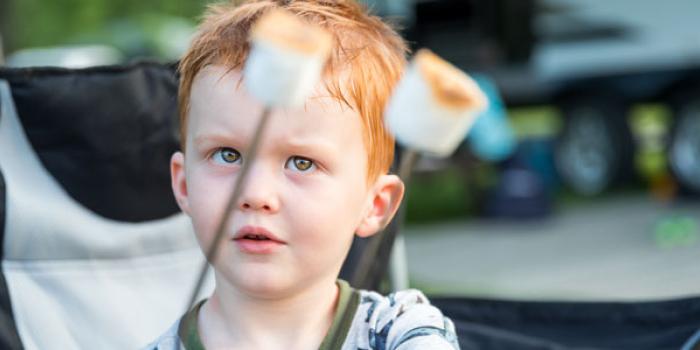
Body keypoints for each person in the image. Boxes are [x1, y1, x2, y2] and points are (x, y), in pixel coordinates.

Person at [145, 0, 460, 349]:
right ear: (184, 183)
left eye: (302, 162)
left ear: (375, 204)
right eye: (227, 155)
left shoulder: (398, 330)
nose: (256, 194)